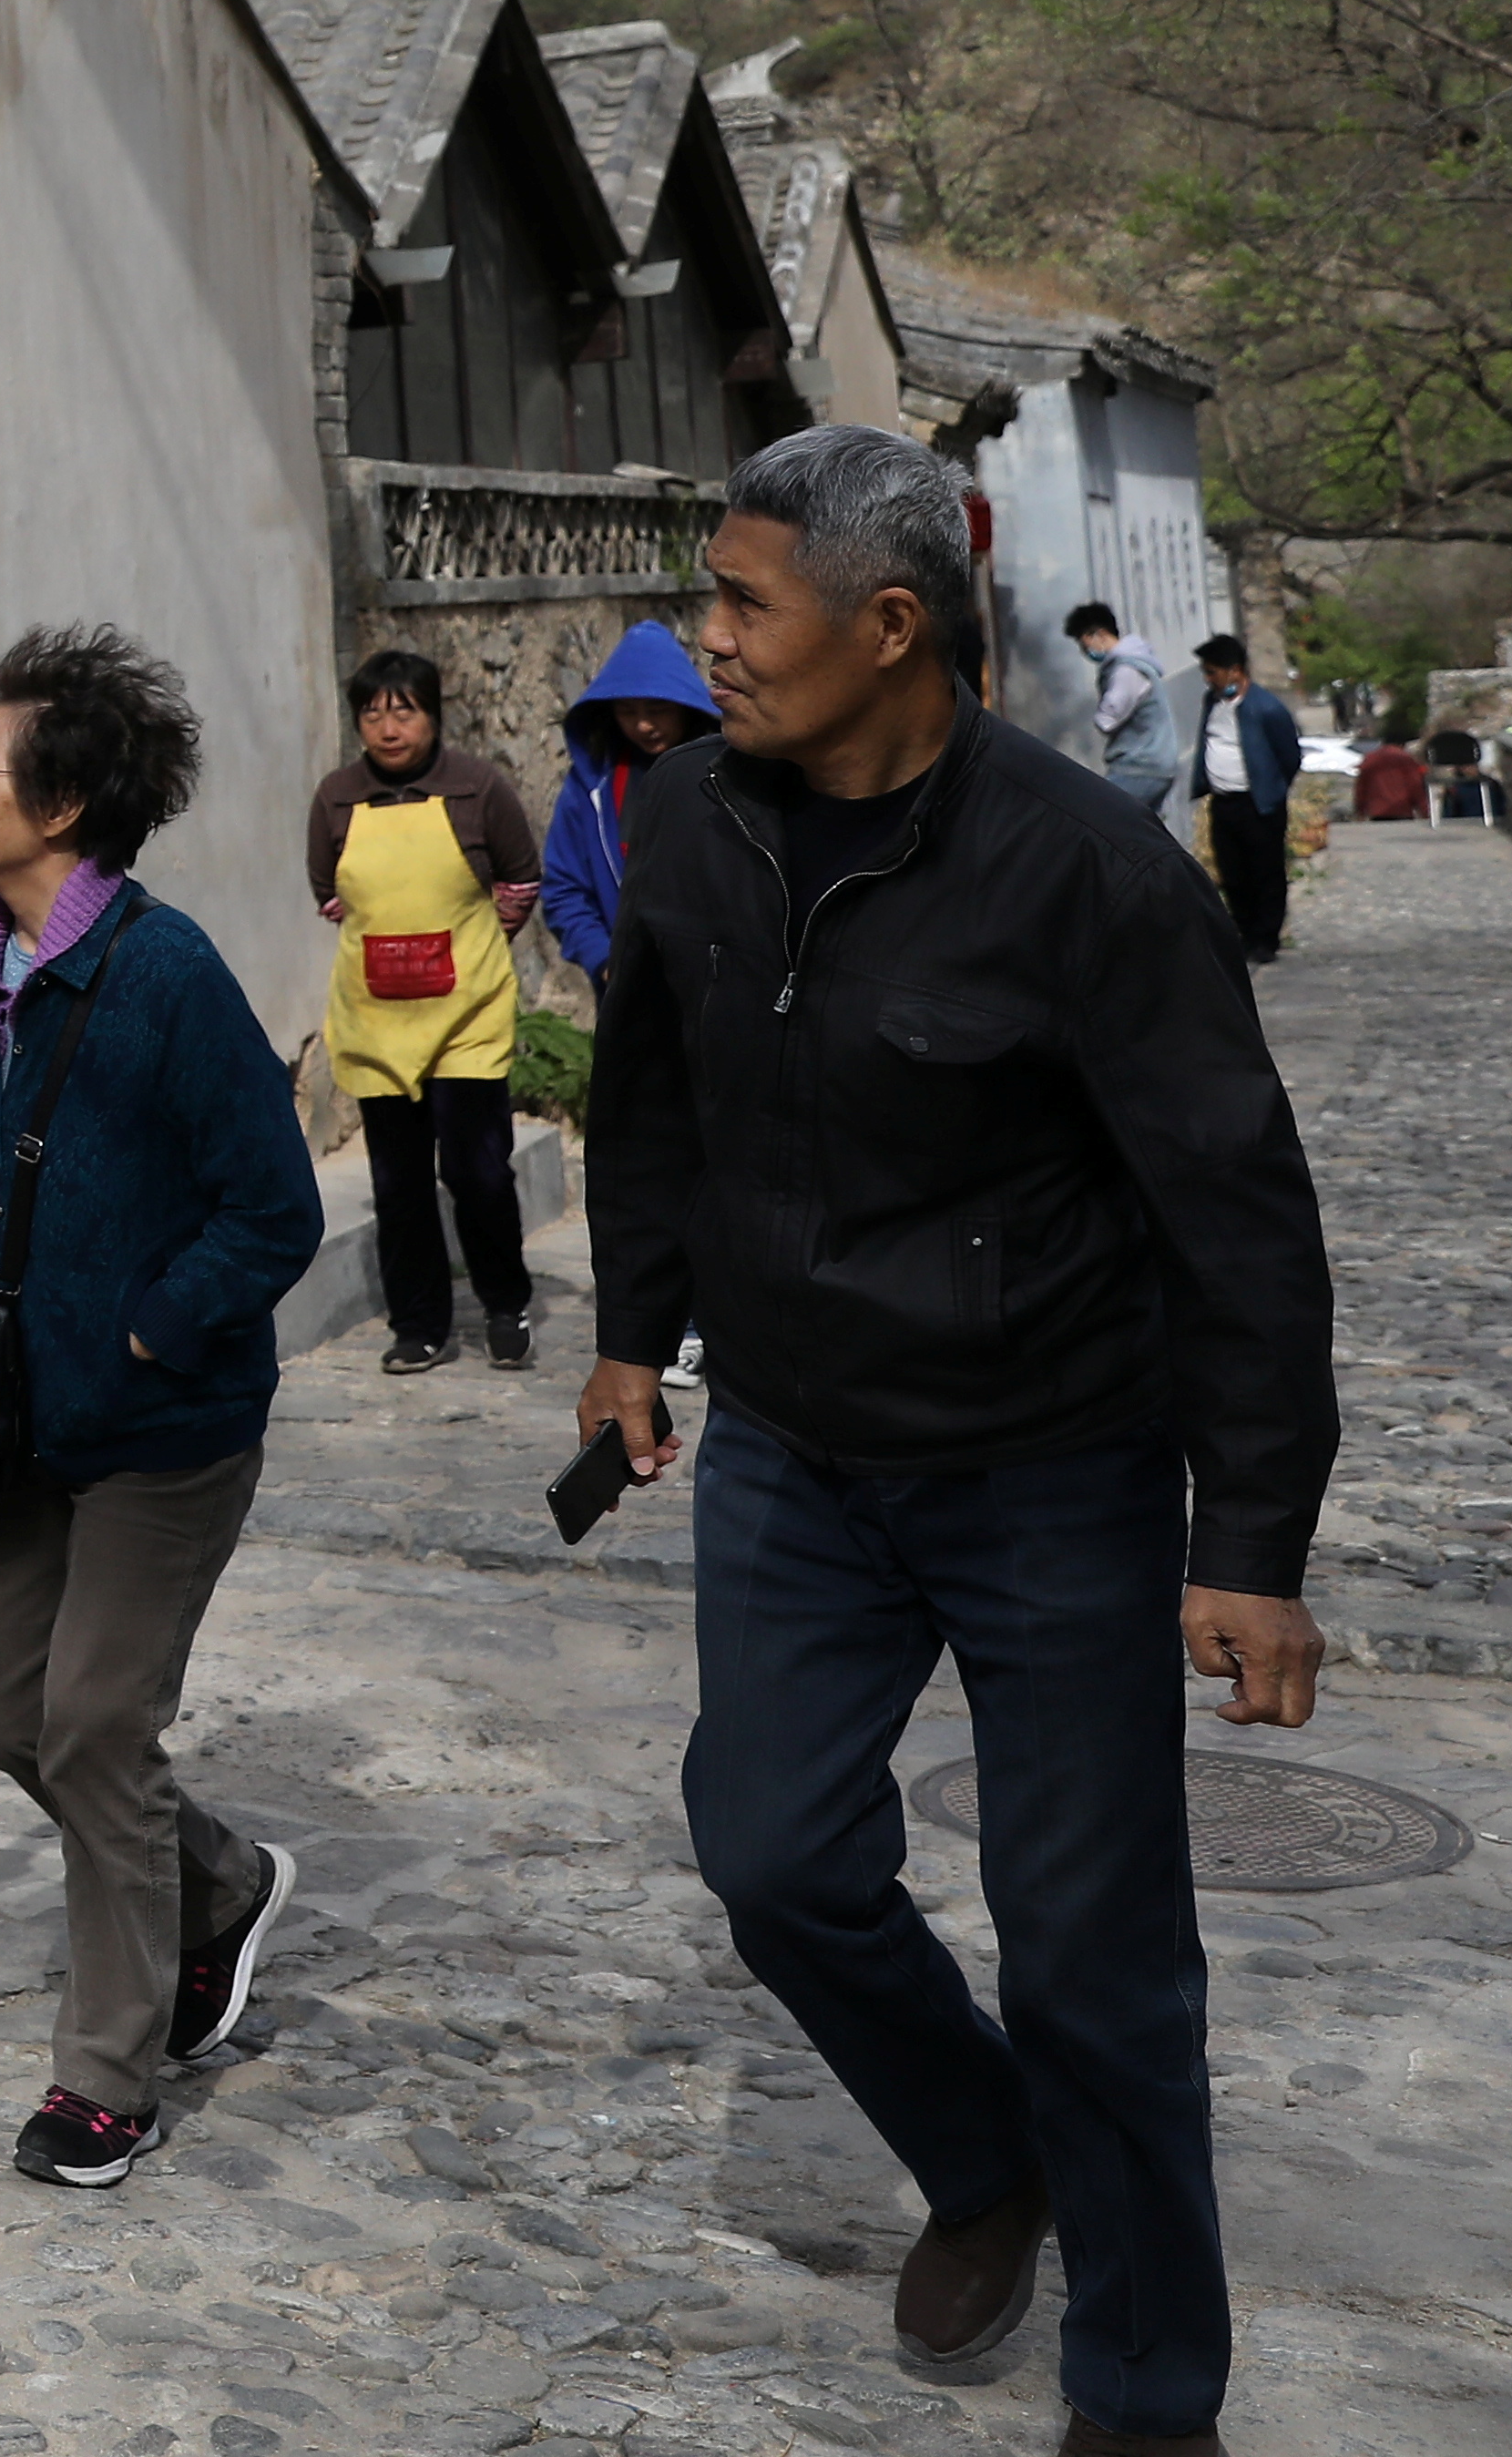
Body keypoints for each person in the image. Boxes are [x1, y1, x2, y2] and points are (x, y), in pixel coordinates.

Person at [580, 425, 1338, 2457]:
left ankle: (1150, 2392)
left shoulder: (1087, 873)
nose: (703, 638)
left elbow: (1237, 1212)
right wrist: (631, 1331)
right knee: (771, 1852)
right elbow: (647, 1096)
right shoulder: (682, 825)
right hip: (797, 1454)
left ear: (890, 624)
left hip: (1054, 1471)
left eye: (746, 603)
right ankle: (987, 2150)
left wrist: (1250, 1532)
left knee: (1095, 1952)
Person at [0, 626, 329, 2192]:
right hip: (16, 1419)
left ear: (67, 802)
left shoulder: (165, 977)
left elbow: (272, 1211)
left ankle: (110, 2070)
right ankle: (217, 1881)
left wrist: (155, 1328)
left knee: (97, 1722)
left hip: (168, 1429)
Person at [308, 648, 544, 1376]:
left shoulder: (479, 789)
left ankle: (505, 1306)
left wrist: (467, 951)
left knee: (479, 1172)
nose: (387, 726)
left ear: (433, 714)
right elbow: (329, 891)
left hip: (465, 1020)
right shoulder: (337, 798)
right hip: (378, 1022)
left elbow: (521, 878)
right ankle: (419, 1325)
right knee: (398, 1183)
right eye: (372, 712)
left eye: (403, 709)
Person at [540, 619, 717, 978]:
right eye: (627, 712)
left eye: (657, 710)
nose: (643, 726)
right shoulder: (591, 790)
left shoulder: (728, 778)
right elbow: (564, 890)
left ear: (685, 705)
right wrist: (606, 961)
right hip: (627, 996)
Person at [1192, 634, 1303, 962]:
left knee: (1265, 872)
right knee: (1233, 872)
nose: (1208, 679)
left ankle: (1266, 938)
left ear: (1234, 671)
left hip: (1258, 804)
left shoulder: (1266, 708)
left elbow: (1289, 757)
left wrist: (1271, 789)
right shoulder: (1211, 704)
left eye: (1213, 672)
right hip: (1224, 802)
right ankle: (1245, 932)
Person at [1063, 603, 1183, 832]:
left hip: (1140, 766)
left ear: (1098, 634)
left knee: (1096, 820)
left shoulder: (1126, 670)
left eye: (1083, 642)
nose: (1084, 650)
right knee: (1142, 835)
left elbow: (1108, 718)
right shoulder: (1136, 662)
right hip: (1154, 764)